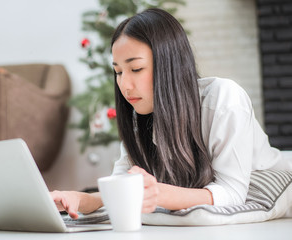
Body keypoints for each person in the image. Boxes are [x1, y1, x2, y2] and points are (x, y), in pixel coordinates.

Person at [51, 8, 292, 219]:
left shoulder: (224, 99)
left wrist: (160, 194)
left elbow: (232, 193)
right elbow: (123, 184)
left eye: (136, 68)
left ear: (170, 65)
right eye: (118, 72)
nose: (124, 85)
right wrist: (81, 200)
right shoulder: (141, 116)